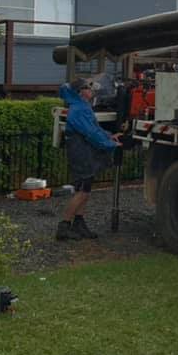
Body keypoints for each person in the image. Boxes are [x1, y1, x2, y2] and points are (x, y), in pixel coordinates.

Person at [56, 77, 122, 240]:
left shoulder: (82, 106)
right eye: (88, 88)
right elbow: (90, 133)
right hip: (81, 153)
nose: (92, 90)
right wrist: (110, 144)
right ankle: (64, 226)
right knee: (82, 191)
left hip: (83, 151)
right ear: (81, 92)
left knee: (85, 190)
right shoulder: (79, 109)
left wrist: (109, 136)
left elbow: (95, 128)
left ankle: (79, 223)